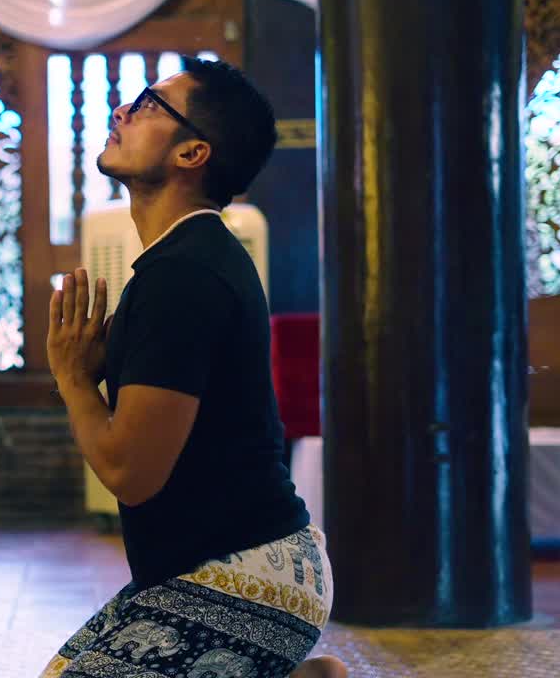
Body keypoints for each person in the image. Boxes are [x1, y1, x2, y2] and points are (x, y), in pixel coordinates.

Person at [43, 57, 346, 678]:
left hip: (247, 575)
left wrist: (74, 379)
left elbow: (131, 472)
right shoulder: (179, 261)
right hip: (209, 566)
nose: (120, 112)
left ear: (192, 153)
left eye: (148, 106)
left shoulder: (184, 274)